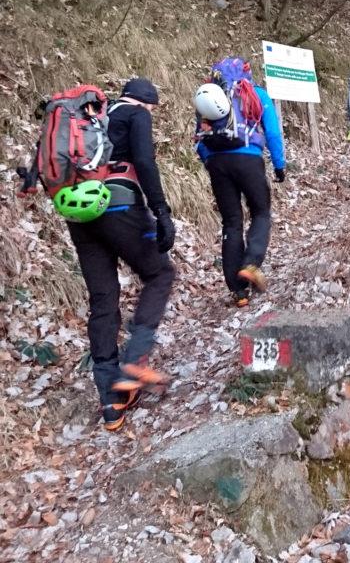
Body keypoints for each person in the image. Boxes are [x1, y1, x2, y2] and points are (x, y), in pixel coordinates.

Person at [68, 78, 176, 432]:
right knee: (160, 275)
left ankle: (110, 401)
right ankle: (134, 362)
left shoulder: (90, 116)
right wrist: (161, 211)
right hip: (120, 207)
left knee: (103, 299)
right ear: (147, 102)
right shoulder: (136, 113)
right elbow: (144, 161)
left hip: (80, 214)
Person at [195, 71, 286, 308]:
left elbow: (200, 139)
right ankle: (251, 264)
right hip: (248, 159)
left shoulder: (208, 95)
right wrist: (279, 165)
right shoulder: (255, 92)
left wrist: (210, 161)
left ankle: (238, 292)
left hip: (217, 163)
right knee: (260, 212)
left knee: (232, 222)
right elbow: (273, 132)